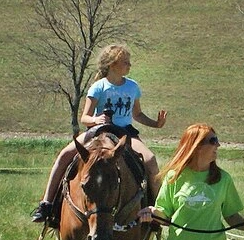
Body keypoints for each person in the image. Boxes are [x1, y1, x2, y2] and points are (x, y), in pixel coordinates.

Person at [31, 44, 167, 223]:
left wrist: (156, 124)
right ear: (112, 65)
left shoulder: (133, 87)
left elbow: (137, 114)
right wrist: (96, 120)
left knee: (150, 160)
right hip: (99, 131)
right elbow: (85, 117)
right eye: (125, 62)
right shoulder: (98, 87)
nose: (129, 65)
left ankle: (156, 212)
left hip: (125, 132)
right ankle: (47, 204)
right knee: (64, 155)